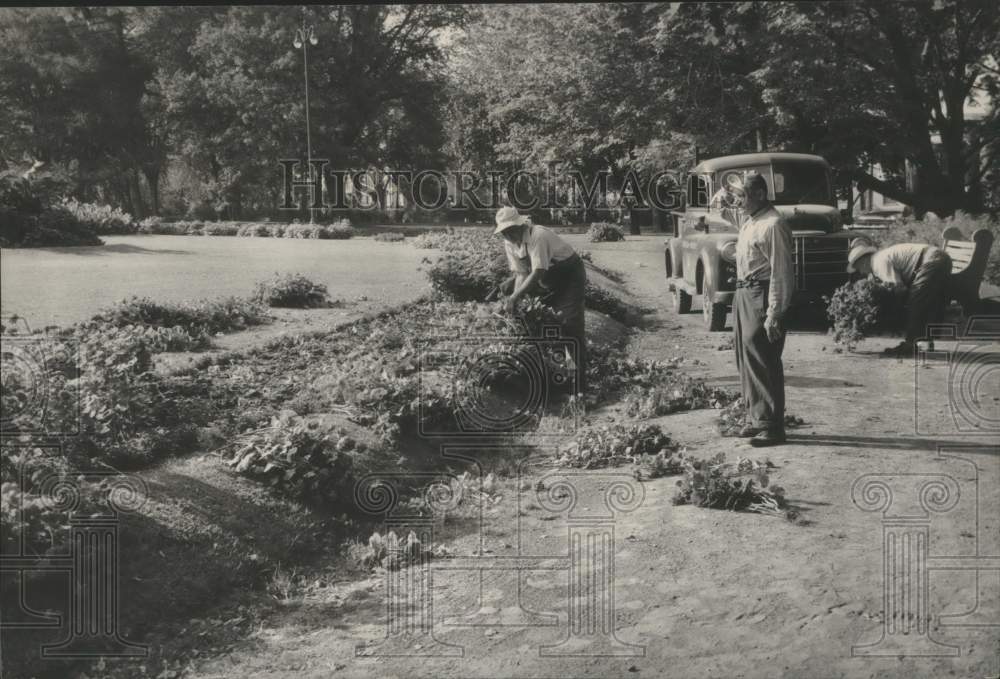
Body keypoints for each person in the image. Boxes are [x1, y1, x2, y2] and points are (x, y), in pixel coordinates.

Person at [710, 172, 794, 447]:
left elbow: (782, 272)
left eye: (742, 196)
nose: (738, 202)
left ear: (759, 194)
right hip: (744, 291)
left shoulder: (773, 224)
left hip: (761, 291)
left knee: (763, 356)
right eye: (737, 197)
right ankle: (755, 418)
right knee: (745, 356)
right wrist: (726, 192)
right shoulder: (750, 218)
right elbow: (721, 208)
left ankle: (772, 426)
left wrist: (775, 312)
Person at [493, 206, 587, 392]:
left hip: (569, 276)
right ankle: (561, 377)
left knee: (570, 325)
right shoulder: (509, 243)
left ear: (520, 226)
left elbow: (537, 272)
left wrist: (515, 296)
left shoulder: (538, 235)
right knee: (547, 324)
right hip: (548, 280)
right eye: (504, 232)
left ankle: (580, 386)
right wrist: (515, 300)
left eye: (511, 230)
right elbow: (521, 273)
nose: (509, 236)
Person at [846, 242, 952, 356]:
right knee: (928, 301)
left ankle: (910, 344)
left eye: (859, 268)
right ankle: (925, 342)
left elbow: (898, 288)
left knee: (916, 301)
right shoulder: (880, 257)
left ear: (864, 261)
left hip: (932, 260)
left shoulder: (878, 263)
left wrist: (891, 311)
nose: (861, 272)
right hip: (939, 258)